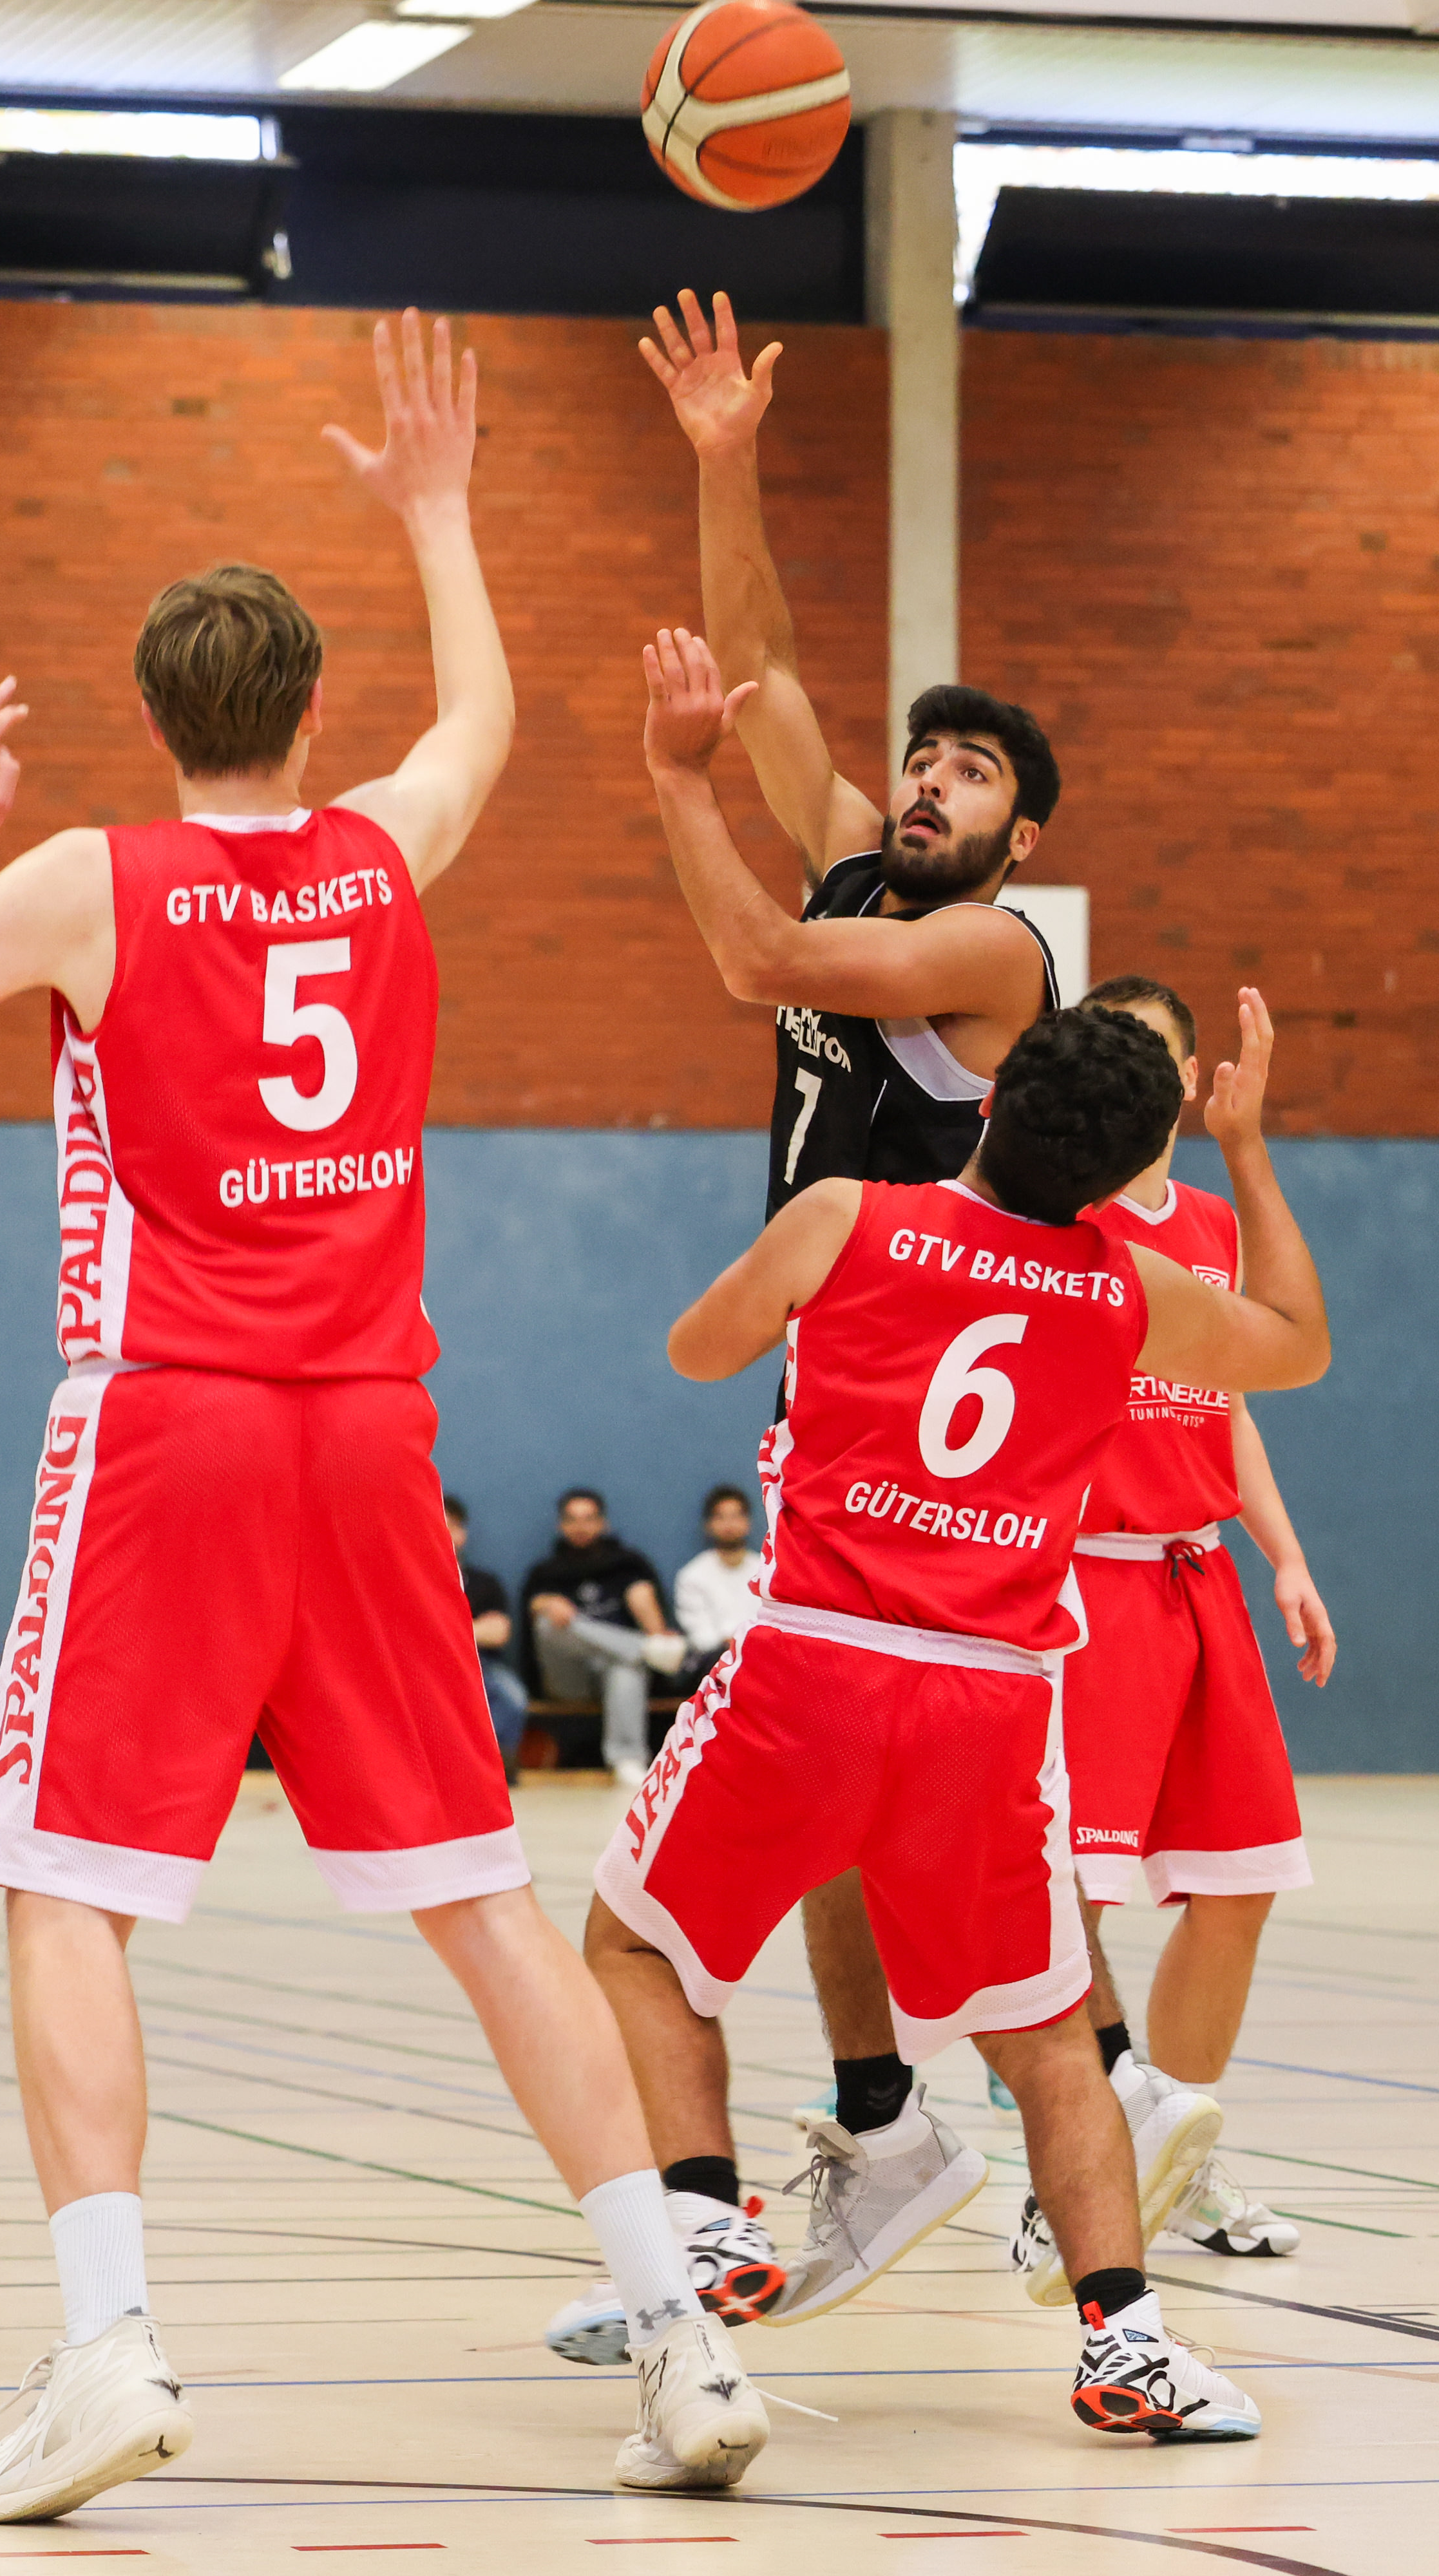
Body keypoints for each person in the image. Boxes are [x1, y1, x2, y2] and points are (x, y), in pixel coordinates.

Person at [0, 312, 769, 2513]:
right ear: (313, 713)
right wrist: (439, 512)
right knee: (484, 1900)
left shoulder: (86, 882)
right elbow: (485, 720)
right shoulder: (384, 849)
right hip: (375, 1441)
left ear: (152, 719)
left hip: (173, 1430)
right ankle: (684, 2341)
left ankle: (108, 2344)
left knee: (60, 1892)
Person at [582, 987, 1328, 2440]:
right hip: (992, 1698)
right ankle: (1130, 2343)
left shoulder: (847, 1215)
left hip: (814, 1662)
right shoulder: (1130, 1289)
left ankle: (708, 2220)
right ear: (1121, 1172)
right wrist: (1243, 1146)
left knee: (640, 1948)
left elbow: (696, 1349)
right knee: (1051, 2040)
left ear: (988, 1103)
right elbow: (1295, 1343)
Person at [609, 287, 1068, 2332]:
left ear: (1020, 836)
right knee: (833, 1795)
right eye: (923, 760)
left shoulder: (990, 954)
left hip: (925, 1399)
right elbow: (771, 667)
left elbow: (753, 964)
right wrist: (724, 458)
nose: (927, 783)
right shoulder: (869, 870)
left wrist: (675, 786)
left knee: (859, 1784)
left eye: (970, 774)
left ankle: (1071, 2123)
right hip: (843, 1373)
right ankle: (886, 2116)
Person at [1008, 975, 1334, 2305]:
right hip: (1085, 1587)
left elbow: (1235, 1400)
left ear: (1195, 1079)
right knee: (1068, 1894)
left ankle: (1171, 2161)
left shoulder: (1212, 1225)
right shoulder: (1051, 1220)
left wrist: (1286, 1554)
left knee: (1242, 1883)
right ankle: (1064, 2176)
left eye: (1152, 1052)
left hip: (1200, 1580)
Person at [523, 1489, 689, 1790]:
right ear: (561, 1525)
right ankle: (645, 1649)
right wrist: (544, 1603)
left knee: (627, 1666)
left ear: (603, 1523)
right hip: (569, 1678)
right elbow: (531, 1625)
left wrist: (650, 1617)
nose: (581, 1527)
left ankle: (627, 1761)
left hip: (617, 1670)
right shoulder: (545, 1573)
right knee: (548, 1622)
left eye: (589, 1519)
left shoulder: (629, 1564)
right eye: (573, 1519)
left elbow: (652, 1613)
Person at [444, 1493, 530, 1780]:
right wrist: (473, 1627)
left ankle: (494, 1768)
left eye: (450, 1526)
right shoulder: (405, 1578)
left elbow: (498, 1633)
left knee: (511, 1695)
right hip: (422, 1663)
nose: (443, 1533)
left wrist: (442, 1628)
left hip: (480, 1663)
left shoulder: (484, 1583)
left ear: (462, 1533)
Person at [673, 1483, 764, 1691]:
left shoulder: (766, 1570)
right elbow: (701, 1636)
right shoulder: (692, 1575)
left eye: (736, 1516)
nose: (729, 1524)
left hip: (763, 1654)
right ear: (709, 1524)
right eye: (721, 1517)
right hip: (714, 1660)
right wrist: (733, 1644)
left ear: (748, 1522)